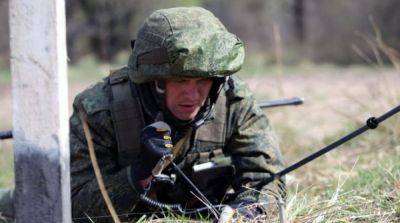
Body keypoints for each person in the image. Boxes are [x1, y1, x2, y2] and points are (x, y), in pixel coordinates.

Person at [70, 7, 285, 222]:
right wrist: (136, 176)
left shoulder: (231, 101)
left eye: (202, 80)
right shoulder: (100, 110)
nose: (192, 95)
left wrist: (248, 213)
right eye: (180, 81)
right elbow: (74, 207)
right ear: (154, 81)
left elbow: (265, 179)